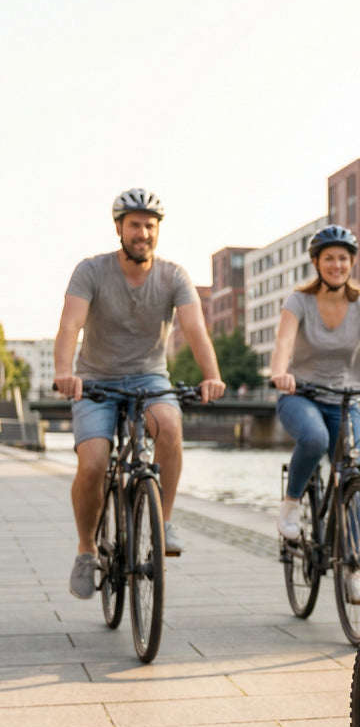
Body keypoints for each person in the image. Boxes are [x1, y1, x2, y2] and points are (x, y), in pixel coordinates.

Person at [54, 188, 226, 600]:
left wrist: (212, 375)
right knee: (93, 464)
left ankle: (162, 522)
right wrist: (64, 371)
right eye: (135, 224)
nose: (143, 233)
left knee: (169, 425)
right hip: (94, 379)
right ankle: (86, 550)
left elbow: (196, 330)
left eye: (150, 225)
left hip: (150, 378)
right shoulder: (91, 271)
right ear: (119, 228)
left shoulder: (173, 275)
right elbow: (69, 326)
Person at [268, 226, 360, 582]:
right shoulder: (298, 300)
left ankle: (355, 568)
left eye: (343, 258)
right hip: (300, 395)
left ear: (352, 262)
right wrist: (280, 372)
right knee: (314, 439)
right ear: (316, 262)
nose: (337, 264)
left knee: (354, 471)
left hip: (344, 401)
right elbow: (283, 343)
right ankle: (292, 504)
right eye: (329, 257)